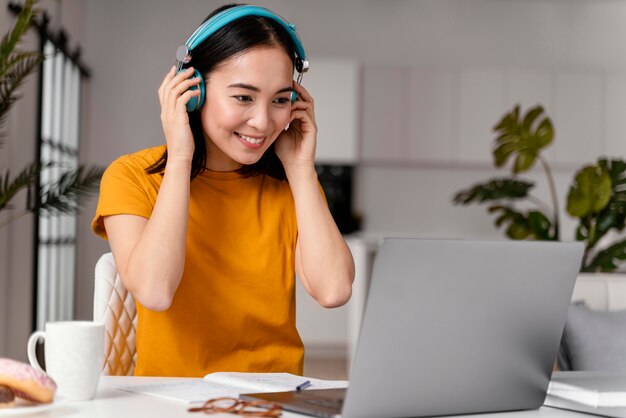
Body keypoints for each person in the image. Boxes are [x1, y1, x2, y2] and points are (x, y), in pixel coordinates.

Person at [91, 4, 355, 377]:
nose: (263, 122)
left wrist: (300, 169)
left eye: (280, 99)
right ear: (192, 91)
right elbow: (155, 291)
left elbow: (334, 290)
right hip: (174, 405)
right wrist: (180, 157)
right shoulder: (132, 176)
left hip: (274, 401)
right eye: (243, 97)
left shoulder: (292, 185)